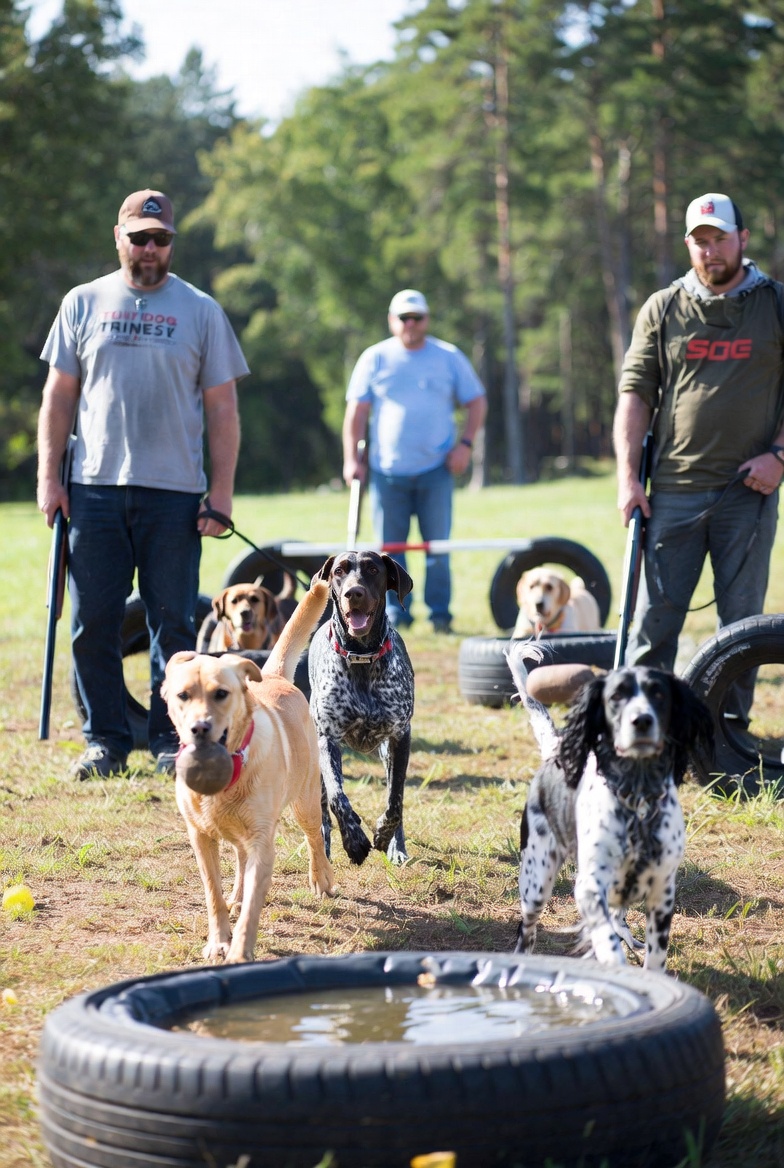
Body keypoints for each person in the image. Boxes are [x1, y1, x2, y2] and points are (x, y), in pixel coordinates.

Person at [36, 189, 249, 779]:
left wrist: (221, 494)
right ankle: (104, 741)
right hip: (94, 489)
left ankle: (170, 743)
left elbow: (223, 409)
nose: (150, 248)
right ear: (119, 237)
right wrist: (49, 478)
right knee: (92, 624)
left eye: (161, 239)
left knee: (173, 627)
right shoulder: (82, 302)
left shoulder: (201, 310)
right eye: (140, 238)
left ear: (171, 242)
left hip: (174, 495)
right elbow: (58, 396)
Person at [614, 192, 784, 727]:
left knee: (741, 627)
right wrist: (627, 479)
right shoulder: (663, 308)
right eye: (700, 241)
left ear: (743, 239)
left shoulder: (776, 304)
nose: (711, 251)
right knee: (653, 623)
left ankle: (728, 738)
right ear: (689, 245)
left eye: (720, 239)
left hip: (748, 492)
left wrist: (779, 456)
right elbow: (635, 395)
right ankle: (642, 732)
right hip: (672, 491)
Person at [342, 289, 487, 633]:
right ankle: (394, 615)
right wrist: (351, 459)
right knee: (387, 555)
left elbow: (477, 401)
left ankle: (440, 616)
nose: (410, 324)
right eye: (403, 318)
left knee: (438, 549)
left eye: (416, 318)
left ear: (426, 320)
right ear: (392, 320)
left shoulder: (448, 357)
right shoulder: (375, 358)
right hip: (387, 473)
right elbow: (356, 413)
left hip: (436, 471)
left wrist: (465, 445)